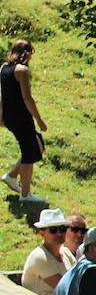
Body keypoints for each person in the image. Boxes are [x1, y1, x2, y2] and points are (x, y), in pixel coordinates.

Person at [1, 40, 49, 201]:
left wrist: (2, 116)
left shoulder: (3, 68)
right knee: (29, 153)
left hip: (9, 117)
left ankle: (12, 176)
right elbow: (27, 98)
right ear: (27, 53)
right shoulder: (22, 71)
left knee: (37, 146)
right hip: (21, 117)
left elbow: (3, 97)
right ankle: (25, 194)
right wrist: (39, 120)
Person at [21, 208, 70, 295]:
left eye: (62, 229)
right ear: (42, 233)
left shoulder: (66, 253)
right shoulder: (40, 257)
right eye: (53, 230)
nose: (59, 234)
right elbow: (65, 288)